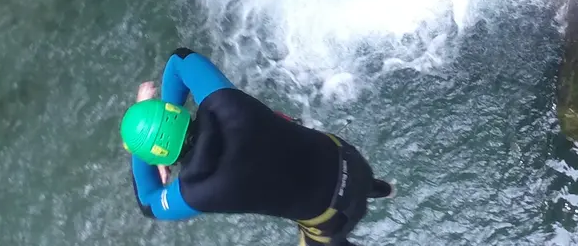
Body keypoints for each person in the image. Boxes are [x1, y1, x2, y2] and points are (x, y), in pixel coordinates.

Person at [121, 47, 392, 244]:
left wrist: (145, 154)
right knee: (340, 173)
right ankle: (382, 188)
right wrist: (151, 108)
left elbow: (148, 203)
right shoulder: (225, 102)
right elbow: (180, 59)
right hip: (350, 160)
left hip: (333, 218)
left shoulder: (196, 193)